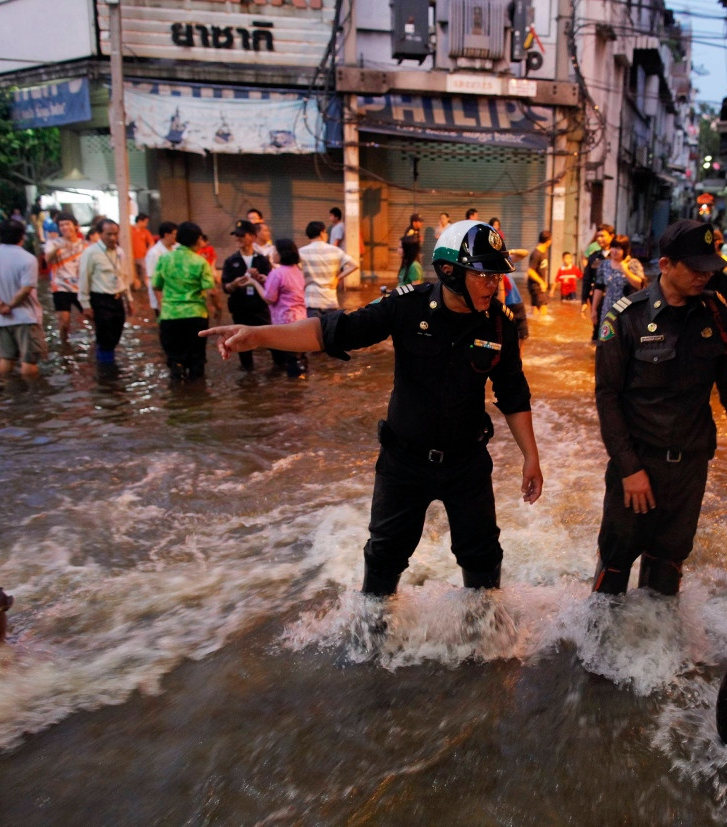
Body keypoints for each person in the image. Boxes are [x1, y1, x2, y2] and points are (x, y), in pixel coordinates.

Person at [201, 219, 543, 595]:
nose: (493, 284)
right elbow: (331, 331)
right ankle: (374, 637)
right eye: (483, 275)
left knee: (482, 557)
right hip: (404, 463)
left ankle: (484, 641)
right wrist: (258, 336)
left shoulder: (499, 324)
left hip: (467, 463)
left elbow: (512, 392)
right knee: (384, 557)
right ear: (448, 270)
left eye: (496, 275)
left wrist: (531, 457)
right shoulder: (407, 306)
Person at [593, 219, 727, 595]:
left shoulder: (714, 314)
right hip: (638, 467)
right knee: (614, 567)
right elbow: (607, 397)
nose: (704, 277)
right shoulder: (626, 317)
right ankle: (600, 649)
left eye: (709, 268)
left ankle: (656, 647)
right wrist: (629, 468)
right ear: (665, 265)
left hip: (690, 470)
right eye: (695, 268)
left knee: (668, 569)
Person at [152, 222, 217, 382]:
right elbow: (211, 290)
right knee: (197, 359)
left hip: (169, 316)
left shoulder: (165, 258)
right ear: (197, 240)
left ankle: (177, 398)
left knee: (174, 359)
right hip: (196, 316)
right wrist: (218, 307)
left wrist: (162, 305)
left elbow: (156, 285)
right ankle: (197, 397)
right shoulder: (200, 262)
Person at [0, 220, 44, 378]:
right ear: (22, 237)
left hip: (2, 319)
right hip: (26, 317)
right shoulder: (27, 259)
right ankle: (32, 396)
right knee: (29, 361)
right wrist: (10, 305)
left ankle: (8, 392)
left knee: (6, 359)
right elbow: (26, 288)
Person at [220, 219, 273, 371]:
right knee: (242, 345)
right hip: (240, 309)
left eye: (241, 235)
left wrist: (258, 278)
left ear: (253, 237)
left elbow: (270, 285)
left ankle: (279, 369)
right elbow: (226, 288)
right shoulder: (231, 261)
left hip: (260, 308)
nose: (238, 238)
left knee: (270, 339)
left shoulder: (262, 260)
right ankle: (248, 374)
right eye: (236, 235)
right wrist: (235, 284)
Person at [78, 218, 131, 366]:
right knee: (105, 336)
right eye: (108, 234)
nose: (113, 238)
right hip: (100, 299)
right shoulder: (91, 253)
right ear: (100, 234)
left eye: (115, 234)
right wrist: (85, 305)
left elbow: (124, 277)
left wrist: (129, 300)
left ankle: (107, 360)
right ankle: (106, 370)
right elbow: (84, 278)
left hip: (118, 298)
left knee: (116, 333)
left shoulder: (120, 252)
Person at [259, 238, 308, 376]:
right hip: (301, 320)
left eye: (274, 251)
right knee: (300, 355)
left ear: (281, 254)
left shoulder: (277, 273)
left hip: (284, 323)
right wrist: (266, 280)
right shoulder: (296, 271)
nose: (272, 254)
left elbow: (269, 299)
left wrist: (254, 283)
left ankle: (292, 392)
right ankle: (301, 385)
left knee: (289, 358)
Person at [299, 220, 358, 318]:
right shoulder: (335, 251)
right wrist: (338, 278)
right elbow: (354, 265)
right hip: (330, 300)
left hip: (311, 300)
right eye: (326, 232)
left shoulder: (301, 252)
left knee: (314, 331)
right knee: (330, 331)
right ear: (322, 233)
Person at [44, 212, 87, 343]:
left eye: (67, 224)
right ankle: (64, 346)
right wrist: (57, 248)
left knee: (93, 317)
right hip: (60, 286)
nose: (64, 227)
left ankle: (98, 346)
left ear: (76, 226)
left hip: (81, 287)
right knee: (64, 322)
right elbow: (47, 260)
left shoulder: (84, 245)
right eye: (61, 225)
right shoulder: (53, 243)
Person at [590, 235, 645, 331]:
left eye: (618, 248)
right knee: (607, 339)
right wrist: (594, 309)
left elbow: (640, 284)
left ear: (625, 250)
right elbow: (599, 287)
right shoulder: (604, 265)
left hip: (629, 310)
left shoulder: (633, 264)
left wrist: (625, 270)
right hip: (608, 309)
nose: (614, 251)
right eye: (613, 247)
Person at [583, 224, 614, 338]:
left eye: (602, 236)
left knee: (613, 327)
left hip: (615, 296)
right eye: (598, 236)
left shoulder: (619, 256)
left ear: (611, 236)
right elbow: (587, 279)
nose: (599, 239)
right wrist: (583, 300)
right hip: (597, 296)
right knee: (597, 328)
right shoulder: (594, 257)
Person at [144, 221, 178, 317]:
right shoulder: (154, 253)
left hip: (176, 297)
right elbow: (153, 280)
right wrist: (160, 302)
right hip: (163, 298)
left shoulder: (176, 248)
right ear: (166, 235)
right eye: (175, 234)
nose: (177, 237)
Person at [527, 230, 551, 319]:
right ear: (549, 241)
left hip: (536, 286)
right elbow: (530, 271)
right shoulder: (536, 254)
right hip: (536, 286)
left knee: (535, 312)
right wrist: (541, 282)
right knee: (544, 314)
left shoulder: (543, 252)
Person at [131, 213, 154, 291]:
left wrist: (148, 251)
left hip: (142, 256)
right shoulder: (130, 230)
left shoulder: (145, 231)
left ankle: (146, 288)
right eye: (145, 222)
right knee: (134, 274)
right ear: (140, 221)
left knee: (145, 273)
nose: (146, 224)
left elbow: (151, 242)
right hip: (131, 256)